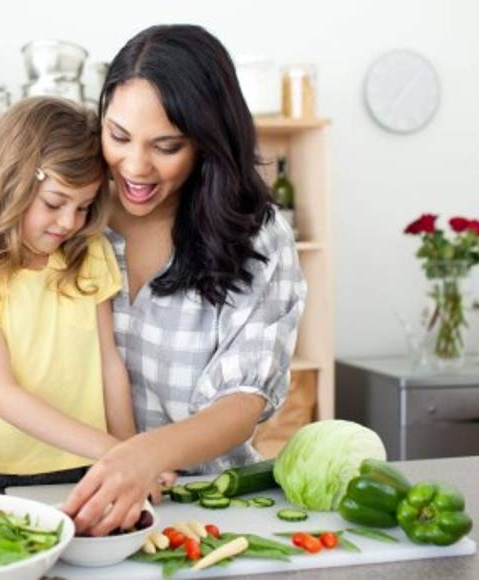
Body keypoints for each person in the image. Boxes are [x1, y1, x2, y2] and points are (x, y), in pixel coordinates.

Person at [63, 24, 307, 535]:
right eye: (118, 136)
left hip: (208, 507)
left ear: (208, 140)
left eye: (166, 146)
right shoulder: (71, 217)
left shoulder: (257, 238)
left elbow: (242, 402)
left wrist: (142, 456)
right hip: (73, 501)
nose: (135, 166)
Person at [0, 97, 142, 491]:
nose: (69, 222)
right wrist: (112, 450)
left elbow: (109, 365)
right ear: (10, 183)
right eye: (54, 203)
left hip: (83, 465)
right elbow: (1, 395)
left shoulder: (90, 254)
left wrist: (130, 453)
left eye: (83, 207)